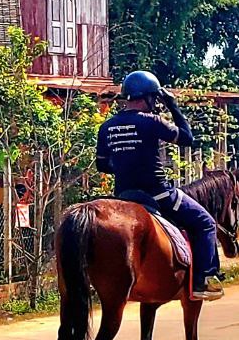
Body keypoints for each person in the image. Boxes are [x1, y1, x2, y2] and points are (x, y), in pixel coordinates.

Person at [95, 70, 224, 301]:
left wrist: (126, 166)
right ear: (149, 98)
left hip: (123, 197)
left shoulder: (107, 127)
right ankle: (202, 280)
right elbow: (187, 138)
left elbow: (102, 166)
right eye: (155, 99)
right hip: (159, 195)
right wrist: (173, 105)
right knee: (205, 223)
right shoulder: (151, 121)